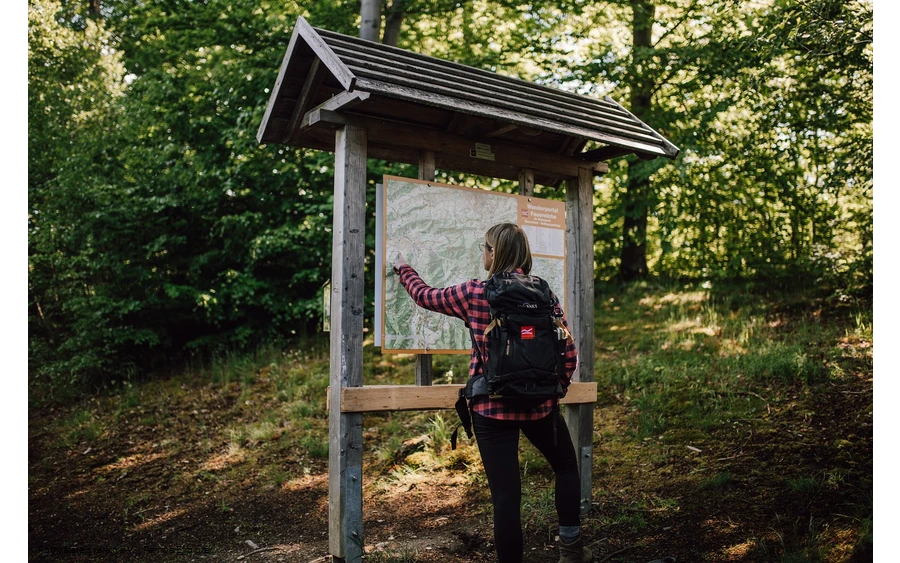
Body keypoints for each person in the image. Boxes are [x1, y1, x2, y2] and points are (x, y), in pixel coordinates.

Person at [390, 222, 593, 563]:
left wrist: (403, 268)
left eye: (485, 247)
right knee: (566, 467)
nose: (481, 253)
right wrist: (553, 390)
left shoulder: (473, 293)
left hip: (491, 410)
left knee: (505, 496)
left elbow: (424, 296)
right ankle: (571, 551)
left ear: (494, 253)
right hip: (540, 407)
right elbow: (568, 350)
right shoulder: (545, 294)